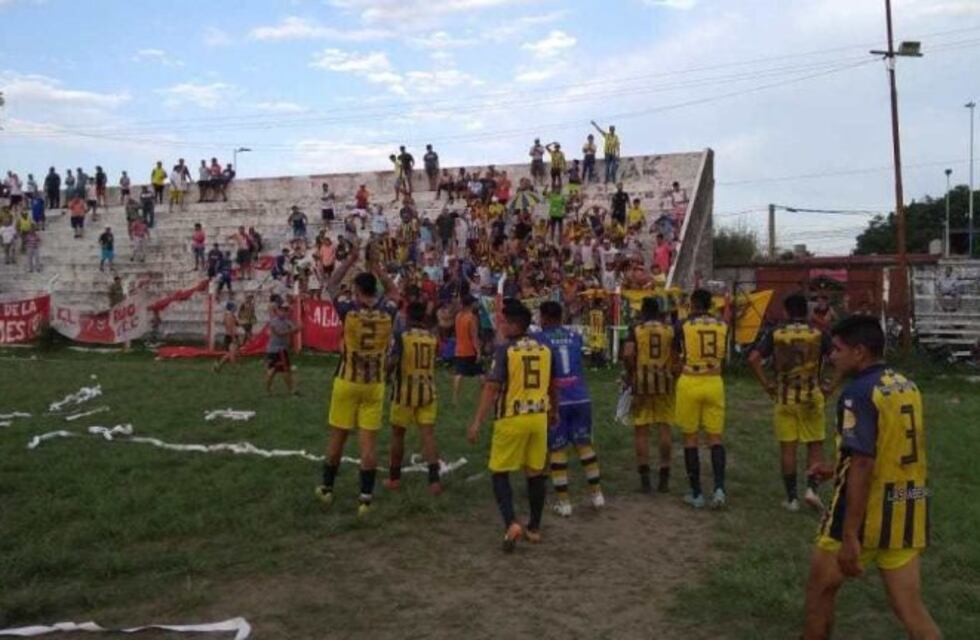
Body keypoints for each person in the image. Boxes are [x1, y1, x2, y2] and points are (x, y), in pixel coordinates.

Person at [802, 315, 938, 640]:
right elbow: (887, 448)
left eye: (837, 349)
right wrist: (837, 467)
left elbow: (863, 463)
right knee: (911, 609)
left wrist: (851, 534)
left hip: (865, 512)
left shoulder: (858, 393)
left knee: (819, 592)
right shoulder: (906, 385)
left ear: (859, 351)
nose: (831, 356)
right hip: (906, 507)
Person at [315, 238, 400, 517]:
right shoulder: (386, 312)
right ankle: (365, 498)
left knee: (337, 438)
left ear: (358, 291)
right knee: (369, 444)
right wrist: (376, 266)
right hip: (374, 383)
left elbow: (330, 284)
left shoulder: (349, 311)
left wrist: (351, 259)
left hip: (348, 380)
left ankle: (327, 488)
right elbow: (394, 290)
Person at [467, 299, 558, 551]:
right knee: (535, 472)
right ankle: (534, 527)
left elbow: (492, 388)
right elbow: (552, 384)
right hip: (538, 417)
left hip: (512, 417)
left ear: (513, 324)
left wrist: (477, 422)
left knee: (499, 472)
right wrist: (554, 411)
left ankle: (511, 523)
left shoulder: (505, 350)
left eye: (503, 322)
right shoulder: (544, 349)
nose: (501, 326)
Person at [748, 294, 832, 512]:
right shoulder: (818, 332)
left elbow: (753, 358)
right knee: (815, 444)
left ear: (786, 311)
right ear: (807, 311)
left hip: (785, 396)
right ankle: (812, 490)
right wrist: (831, 385)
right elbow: (837, 358)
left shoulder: (776, 333)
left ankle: (792, 498)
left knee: (788, 448)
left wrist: (767, 385)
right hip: (811, 396)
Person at [534, 301, 604, 517]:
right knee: (584, 445)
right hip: (581, 397)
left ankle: (564, 503)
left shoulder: (539, 338)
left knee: (557, 449)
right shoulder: (575, 336)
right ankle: (597, 494)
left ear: (545, 317)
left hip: (557, 399)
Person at [674, 288, 729, 509]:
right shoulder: (722, 325)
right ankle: (719, 489)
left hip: (690, 380)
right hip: (714, 381)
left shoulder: (683, 325)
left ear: (693, 303)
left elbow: (675, 353)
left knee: (690, 438)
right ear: (710, 305)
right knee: (715, 438)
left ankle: (697, 493)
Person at [384, 301, 444, 495]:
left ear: (408, 317)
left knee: (398, 434)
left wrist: (386, 374)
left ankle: (394, 478)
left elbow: (393, 361)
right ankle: (434, 481)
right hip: (427, 390)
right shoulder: (432, 338)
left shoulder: (402, 336)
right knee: (428, 435)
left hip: (404, 392)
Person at [623, 297, 677, 494]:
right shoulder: (670, 329)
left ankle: (645, 478)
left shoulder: (636, 329)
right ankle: (664, 476)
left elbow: (628, 353)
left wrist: (630, 373)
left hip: (642, 382)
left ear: (643, 311)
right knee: (665, 428)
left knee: (641, 430)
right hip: (665, 382)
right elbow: (677, 356)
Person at [453, 294, 483, 405]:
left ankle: (455, 398)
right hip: (470, 350)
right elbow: (474, 336)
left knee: (459, 373)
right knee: (481, 373)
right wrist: (478, 351)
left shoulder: (458, 316)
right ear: (470, 304)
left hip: (459, 349)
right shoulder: (472, 317)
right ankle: (484, 395)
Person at [265, 302, 300, 394]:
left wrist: (297, 328)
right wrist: (293, 330)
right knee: (282, 370)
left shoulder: (287, 321)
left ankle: (269, 390)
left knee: (274, 370)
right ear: (278, 311)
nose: (284, 312)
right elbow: (279, 333)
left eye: (286, 310)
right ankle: (291, 390)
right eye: (282, 310)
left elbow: (294, 329)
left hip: (279, 349)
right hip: (276, 349)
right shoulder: (274, 321)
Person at [214, 301, 240, 373]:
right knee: (232, 354)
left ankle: (218, 365)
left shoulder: (230, 315)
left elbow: (237, 324)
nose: (236, 308)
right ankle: (234, 369)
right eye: (234, 307)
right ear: (231, 308)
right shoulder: (229, 316)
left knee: (230, 354)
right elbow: (229, 327)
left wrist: (237, 321)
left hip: (230, 335)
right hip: (231, 336)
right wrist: (233, 337)